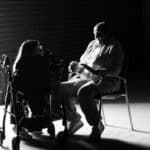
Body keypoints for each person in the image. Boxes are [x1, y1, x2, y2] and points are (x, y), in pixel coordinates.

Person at [60, 21, 124, 138]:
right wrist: (77, 67)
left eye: (99, 34)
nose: (96, 37)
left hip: (108, 81)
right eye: (94, 34)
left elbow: (116, 71)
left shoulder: (114, 48)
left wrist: (97, 72)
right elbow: (84, 62)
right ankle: (74, 120)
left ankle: (97, 124)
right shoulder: (93, 44)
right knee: (61, 88)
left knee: (84, 92)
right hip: (87, 78)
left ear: (108, 34)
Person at [11, 40, 51, 130]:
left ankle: (24, 121)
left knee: (18, 95)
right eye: (38, 47)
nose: (41, 49)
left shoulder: (20, 61)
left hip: (27, 90)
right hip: (33, 90)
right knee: (36, 96)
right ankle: (35, 121)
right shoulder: (38, 60)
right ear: (31, 50)